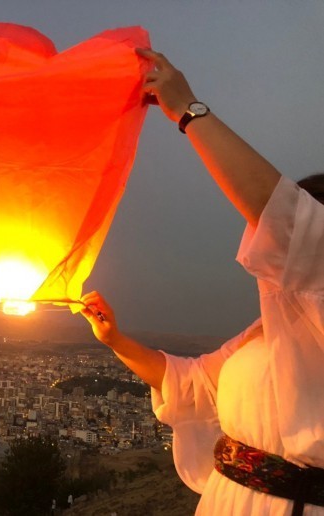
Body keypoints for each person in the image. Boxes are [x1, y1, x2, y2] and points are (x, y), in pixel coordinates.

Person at [80, 48, 324, 515]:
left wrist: (189, 111)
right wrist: (115, 340)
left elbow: (282, 218)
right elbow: (193, 386)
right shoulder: (265, 332)